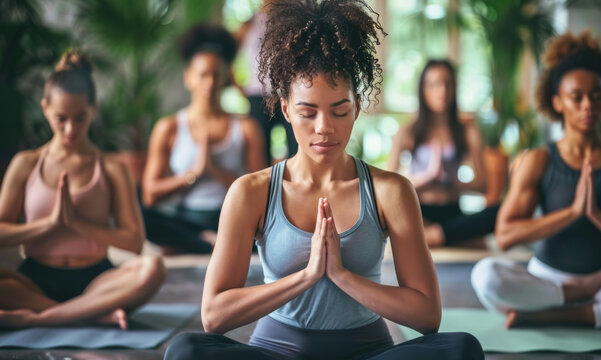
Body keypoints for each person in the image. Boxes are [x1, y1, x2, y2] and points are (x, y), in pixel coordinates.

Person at [164, 0, 484, 359]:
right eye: (307, 112)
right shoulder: (251, 192)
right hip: (277, 353)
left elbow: (427, 316)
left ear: (357, 107)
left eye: (339, 110)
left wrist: (343, 276)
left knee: (461, 349)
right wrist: (306, 276)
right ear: (285, 108)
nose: (324, 128)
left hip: (368, 353)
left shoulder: (390, 190)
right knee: (186, 350)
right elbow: (214, 315)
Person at [471, 31, 601, 328]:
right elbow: (505, 235)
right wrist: (572, 213)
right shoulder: (539, 160)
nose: (587, 105)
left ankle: (561, 315)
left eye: (596, 95)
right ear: (558, 102)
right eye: (576, 97)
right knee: (485, 275)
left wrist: (597, 216)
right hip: (545, 280)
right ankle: (576, 300)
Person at [0, 50, 165, 329]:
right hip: (35, 280)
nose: (69, 130)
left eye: (80, 118)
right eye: (60, 118)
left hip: (96, 283)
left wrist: (77, 224)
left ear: (93, 109)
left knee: (153, 269)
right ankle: (89, 315)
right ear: (45, 109)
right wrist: (49, 224)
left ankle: (38, 318)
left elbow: (135, 242)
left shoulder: (112, 168)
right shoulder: (26, 164)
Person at [141, 24, 266, 254]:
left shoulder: (246, 127)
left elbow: (261, 193)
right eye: (202, 75)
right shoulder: (168, 127)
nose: (209, 82)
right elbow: (150, 194)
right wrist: (195, 174)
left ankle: (213, 241)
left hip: (229, 216)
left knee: (268, 224)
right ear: (189, 77)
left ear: (225, 78)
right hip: (186, 218)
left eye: (215, 75)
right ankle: (210, 242)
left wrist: (215, 171)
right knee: (142, 216)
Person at [388, 59, 498, 248]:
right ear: (423, 90)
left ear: (455, 88)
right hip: (418, 210)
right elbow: (390, 186)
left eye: (448, 84)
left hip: (452, 211)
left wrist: (448, 180)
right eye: (434, 85)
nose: (442, 91)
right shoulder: (407, 132)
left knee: (499, 211)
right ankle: (441, 236)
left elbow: (483, 184)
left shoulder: (468, 131)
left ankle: (435, 235)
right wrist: (428, 177)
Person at [236, 0, 298, 164]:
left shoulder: (294, 20)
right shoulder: (248, 24)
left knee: (297, 148)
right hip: (258, 97)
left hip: (288, 94)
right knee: (258, 154)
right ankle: (262, 188)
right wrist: (237, 86)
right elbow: (227, 56)